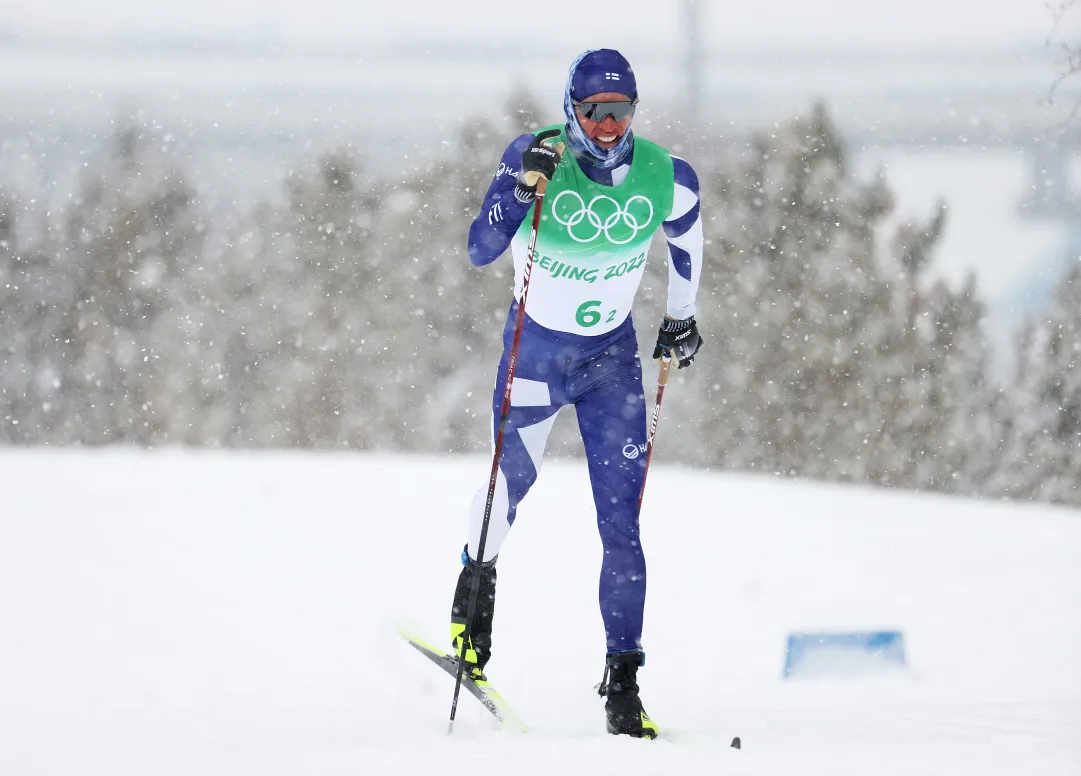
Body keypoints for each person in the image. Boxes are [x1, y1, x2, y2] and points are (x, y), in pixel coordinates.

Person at [449, 48, 703, 740]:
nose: (609, 125)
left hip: (609, 364)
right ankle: (471, 618)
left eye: (621, 111)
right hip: (535, 355)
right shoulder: (535, 156)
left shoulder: (663, 175)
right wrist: (517, 194)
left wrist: (681, 317)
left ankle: (623, 683)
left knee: (620, 524)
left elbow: (687, 238)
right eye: (594, 112)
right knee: (511, 487)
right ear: (572, 109)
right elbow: (478, 248)